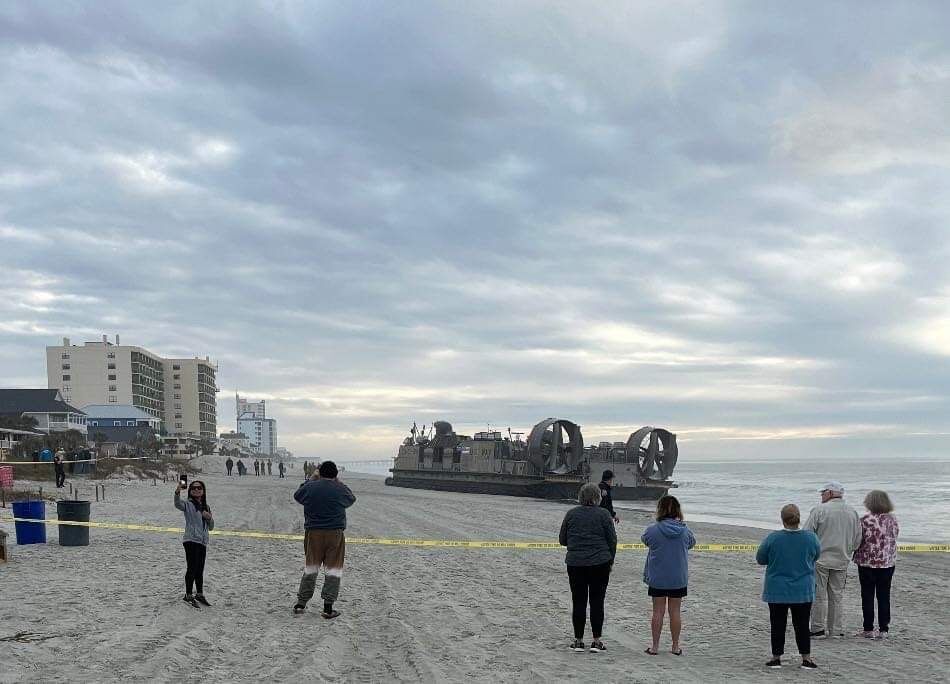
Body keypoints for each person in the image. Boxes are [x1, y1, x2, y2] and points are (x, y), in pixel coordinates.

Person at [756, 504, 821, 670]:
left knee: (777, 623)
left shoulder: (773, 538)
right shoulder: (811, 538)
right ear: (799, 518)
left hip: (778, 588)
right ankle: (806, 658)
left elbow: (761, 558)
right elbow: (816, 555)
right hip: (802, 588)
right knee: (802, 624)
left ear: (782, 519)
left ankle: (776, 657)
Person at [292, 461, 356, 619]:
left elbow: (298, 495)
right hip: (335, 533)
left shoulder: (311, 486)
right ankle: (328, 608)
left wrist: (312, 479)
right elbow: (351, 499)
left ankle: (301, 604)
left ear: (319, 473)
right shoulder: (339, 488)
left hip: (313, 533)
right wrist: (337, 481)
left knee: (311, 568)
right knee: (333, 570)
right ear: (335, 474)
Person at [559, 482, 616, 653]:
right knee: (597, 601)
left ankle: (578, 640)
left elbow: (562, 540)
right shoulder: (604, 514)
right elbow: (612, 540)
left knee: (579, 601)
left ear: (580, 497)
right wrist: (610, 560)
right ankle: (597, 641)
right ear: (598, 497)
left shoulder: (571, 514)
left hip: (576, 563)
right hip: (600, 563)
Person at [804, 481, 862, 638]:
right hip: (842, 559)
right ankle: (835, 630)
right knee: (836, 595)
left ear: (830, 493)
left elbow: (807, 534)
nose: (821, 495)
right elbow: (857, 540)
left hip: (820, 559)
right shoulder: (853, 512)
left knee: (819, 594)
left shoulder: (819, 510)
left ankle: (817, 629)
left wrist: (809, 554)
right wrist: (848, 550)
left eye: (823, 492)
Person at [641, 495, 695, 656]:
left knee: (658, 611)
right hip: (678, 577)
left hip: (658, 576)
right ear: (678, 510)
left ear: (660, 510)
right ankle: (675, 646)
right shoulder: (685, 530)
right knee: (675, 611)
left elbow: (645, 540)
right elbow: (692, 543)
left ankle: (655, 646)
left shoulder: (653, 529)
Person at [853, 490, 899, 639]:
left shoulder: (864, 520)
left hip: (867, 563)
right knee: (884, 596)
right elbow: (895, 536)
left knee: (867, 596)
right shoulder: (892, 519)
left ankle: (868, 629)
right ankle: (884, 629)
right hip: (887, 562)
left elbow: (858, 541)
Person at [173, 479, 214, 606]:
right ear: (190, 491)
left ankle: (200, 594)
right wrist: (178, 490)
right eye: (194, 488)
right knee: (192, 568)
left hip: (202, 541)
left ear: (203, 491)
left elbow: (211, 527)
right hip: (191, 540)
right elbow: (177, 504)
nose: (197, 490)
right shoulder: (188, 504)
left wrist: (209, 518)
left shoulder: (206, 506)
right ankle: (188, 594)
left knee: (200, 569)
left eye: (199, 488)